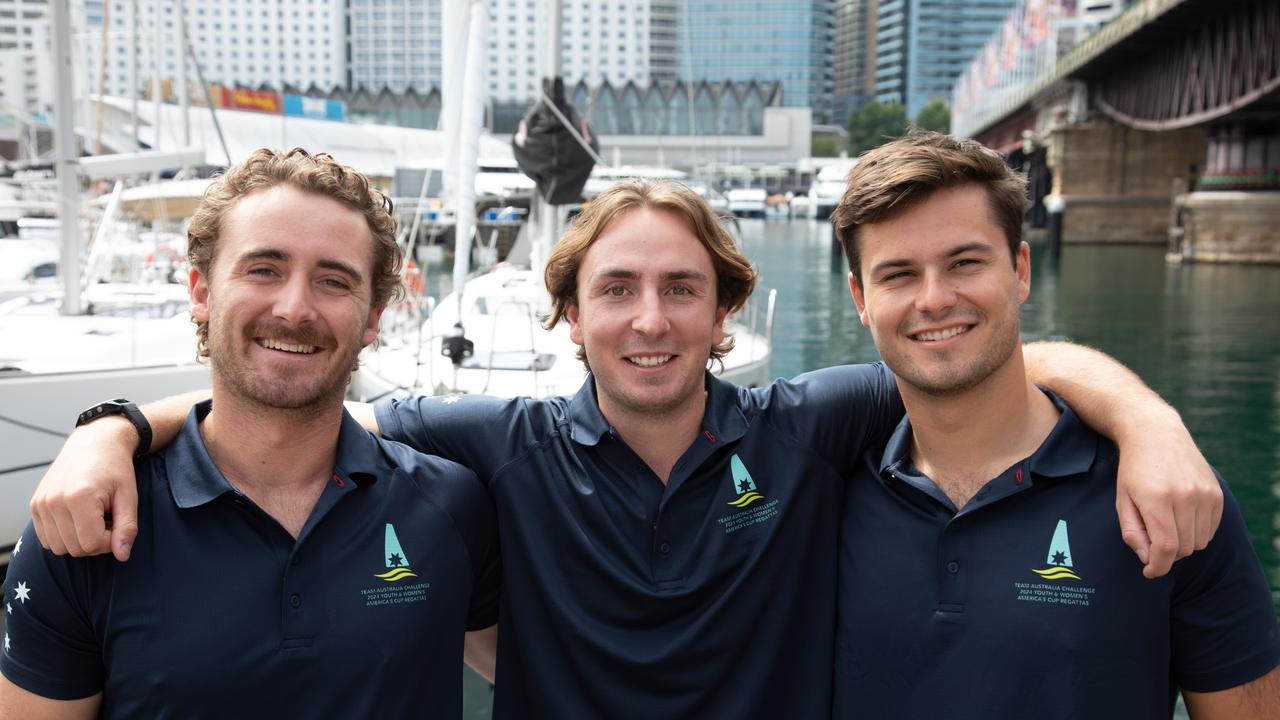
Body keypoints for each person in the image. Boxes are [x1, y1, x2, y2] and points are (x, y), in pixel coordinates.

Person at [26, 180, 1222, 718]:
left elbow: (992, 356)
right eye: (616, 290)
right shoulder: (484, 439)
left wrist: (1148, 419)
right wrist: (115, 431)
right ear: (567, 314)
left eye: (680, 290)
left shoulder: (810, 425)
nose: (648, 320)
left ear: (723, 313)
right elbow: (287, 407)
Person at [0, 148, 499, 718]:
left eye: (333, 280)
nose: (294, 308)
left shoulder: (451, 508)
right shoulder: (92, 528)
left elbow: (540, 670)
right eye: (264, 269)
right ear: (202, 292)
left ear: (372, 319)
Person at [830, 132, 1279, 718]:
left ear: (1020, 270)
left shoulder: (1169, 498)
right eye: (899, 275)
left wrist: (1147, 421)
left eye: (965, 262)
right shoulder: (823, 486)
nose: (935, 299)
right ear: (861, 299)